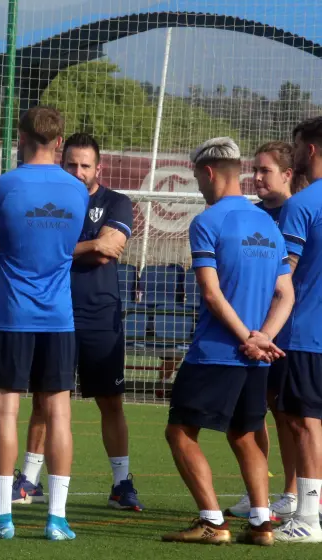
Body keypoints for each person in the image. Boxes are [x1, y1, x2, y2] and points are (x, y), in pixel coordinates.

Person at [0, 106, 87, 541]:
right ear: (58, 141)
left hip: (12, 315)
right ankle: (57, 518)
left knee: (5, 414)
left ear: (22, 137)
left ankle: (1, 516)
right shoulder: (78, 190)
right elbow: (65, 247)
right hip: (59, 317)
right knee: (59, 417)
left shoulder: (0, 186)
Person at [161, 137, 292, 546]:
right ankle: (260, 523)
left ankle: (213, 522)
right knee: (246, 434)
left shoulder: (208, 221)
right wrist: (264, 338)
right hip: (258, 357)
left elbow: (212, 294)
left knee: (180, 432)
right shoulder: (268, 224)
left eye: (198, 177)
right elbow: (285, 293)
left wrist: (247, 339)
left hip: (218, 352)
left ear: (209, 172)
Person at [13, 133, 143, 512]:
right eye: (71, 164)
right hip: (53, 311)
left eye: (86, 165)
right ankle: (30, 479)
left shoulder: (116, 201)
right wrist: (86, 247)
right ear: (60, 162)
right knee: (44, 398)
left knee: (110, 401)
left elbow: (109, 249)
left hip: (99, 314)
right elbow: (95, 247)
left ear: (98, 168)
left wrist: (51, 249)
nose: (78, 171)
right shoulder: (48, 199)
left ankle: (122, 484)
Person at [226, 141, 301, 520]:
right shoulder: (252, 217)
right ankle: (258, 491)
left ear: (288, 174)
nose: (255, 177)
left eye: (265, 170)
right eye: (254, 170)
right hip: (252, 334)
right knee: (255, 413)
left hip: (287, 333)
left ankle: (292, 492)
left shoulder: (299, 212)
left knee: (288, 413)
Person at [272, 117, 322, 542]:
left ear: (310, 150)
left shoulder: (302, 204)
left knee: (306, 423)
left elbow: (283, 275)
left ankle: (307, 519)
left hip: (308, 332)